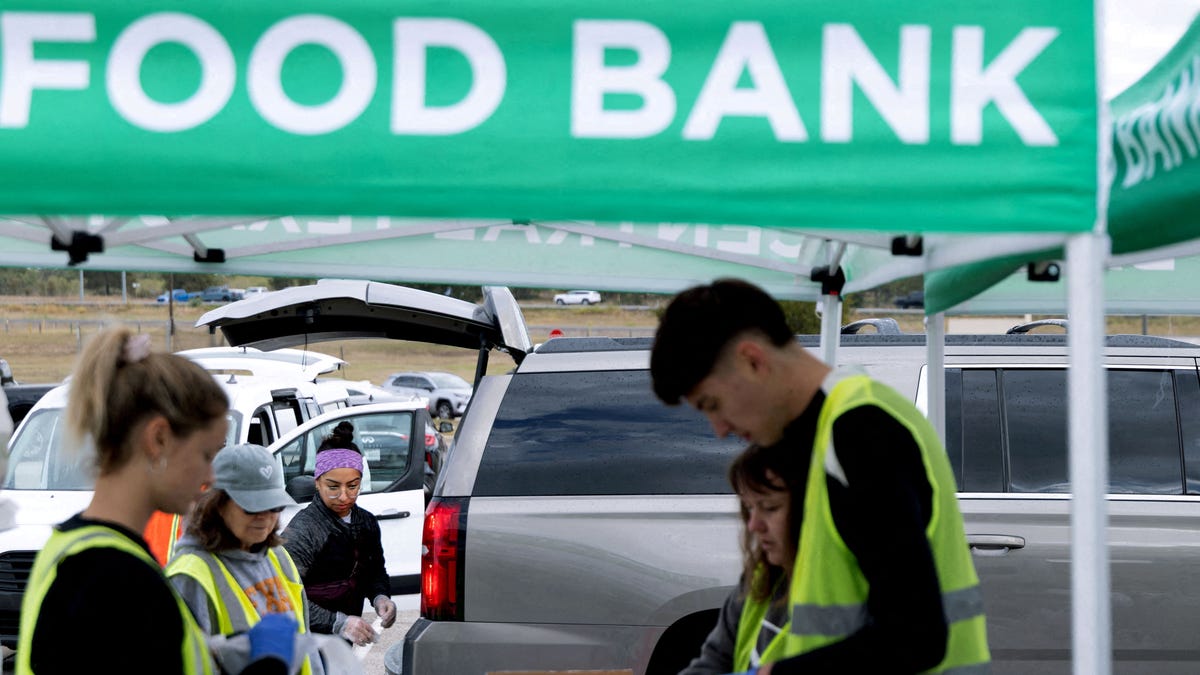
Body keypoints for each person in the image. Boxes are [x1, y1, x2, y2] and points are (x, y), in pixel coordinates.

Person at [650, 279, 989, 675]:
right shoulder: (824, 433)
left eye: (713, 404)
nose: (719, 428)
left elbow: (916, 637)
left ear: (752, 360)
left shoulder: (859, 432)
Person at [15, 328, 296, 675]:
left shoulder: (77, 549)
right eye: (206, 454)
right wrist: (269, 666)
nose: (211, 476)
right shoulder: (114, 579)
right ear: (159, 439)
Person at [168, 443, 325, 675]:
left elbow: (306, 643)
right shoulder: (190, 576)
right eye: (252, 507)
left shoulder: (278, 557)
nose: (265, 517)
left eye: (273, 505)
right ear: (217, 504)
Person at [681, 443, 802, 675]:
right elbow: (713, 661)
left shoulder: (840, 597)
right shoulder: (758, 581)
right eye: (749, 508)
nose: (754, 525)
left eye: (769, 507)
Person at [282, 421, 396, 647]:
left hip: (344, 643)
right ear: (317, 483)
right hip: (306, 643)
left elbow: (374, 571)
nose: (344, 496)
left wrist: (380, 597)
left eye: (352, 486)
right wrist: (336, 622)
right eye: (333, 487)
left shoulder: (366, 523)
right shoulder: (304, 531)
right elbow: (286, 597)